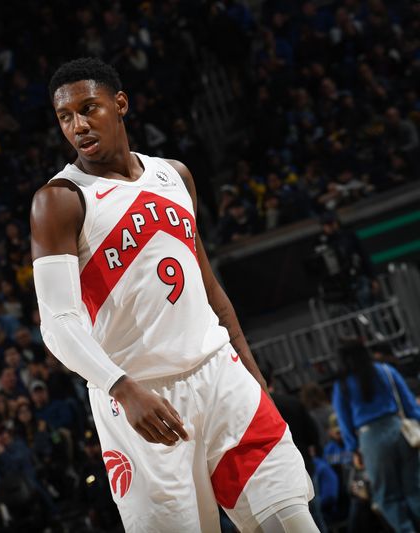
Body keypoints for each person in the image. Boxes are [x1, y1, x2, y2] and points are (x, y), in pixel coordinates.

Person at [30, 57, 316, 532]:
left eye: (89, 108)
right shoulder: (60, 200)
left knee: (291, 522)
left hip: (221, 377)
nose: (78, 125)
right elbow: (57, 323)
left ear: (120, 104)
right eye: (65, 117)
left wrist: (252, 374)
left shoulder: (175, 175)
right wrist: (122, 387)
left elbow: (208, 287)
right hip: (141, 399)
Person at [331, 340, 420, 532]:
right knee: (414, 488)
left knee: (387, 497)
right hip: (399, 430)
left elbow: (344, 422)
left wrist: (353, 448)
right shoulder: (385, 371)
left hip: (371, 439)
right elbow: (409, 404)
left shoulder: (343, 384)